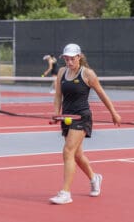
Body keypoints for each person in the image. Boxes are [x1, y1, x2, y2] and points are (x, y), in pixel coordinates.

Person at [49, 43, 121, 204]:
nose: (69, 62)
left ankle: (65, 193)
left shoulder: (88, 74)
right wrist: (56, 113)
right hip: (67, 117)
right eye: (66, 59)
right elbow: (58, 96)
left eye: (72, 58)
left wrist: (113, 113)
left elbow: (102, 94)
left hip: (82, 117)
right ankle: (94, 178)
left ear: (79, 57)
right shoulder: (61, 72)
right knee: (77, 154)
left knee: (67, 151)